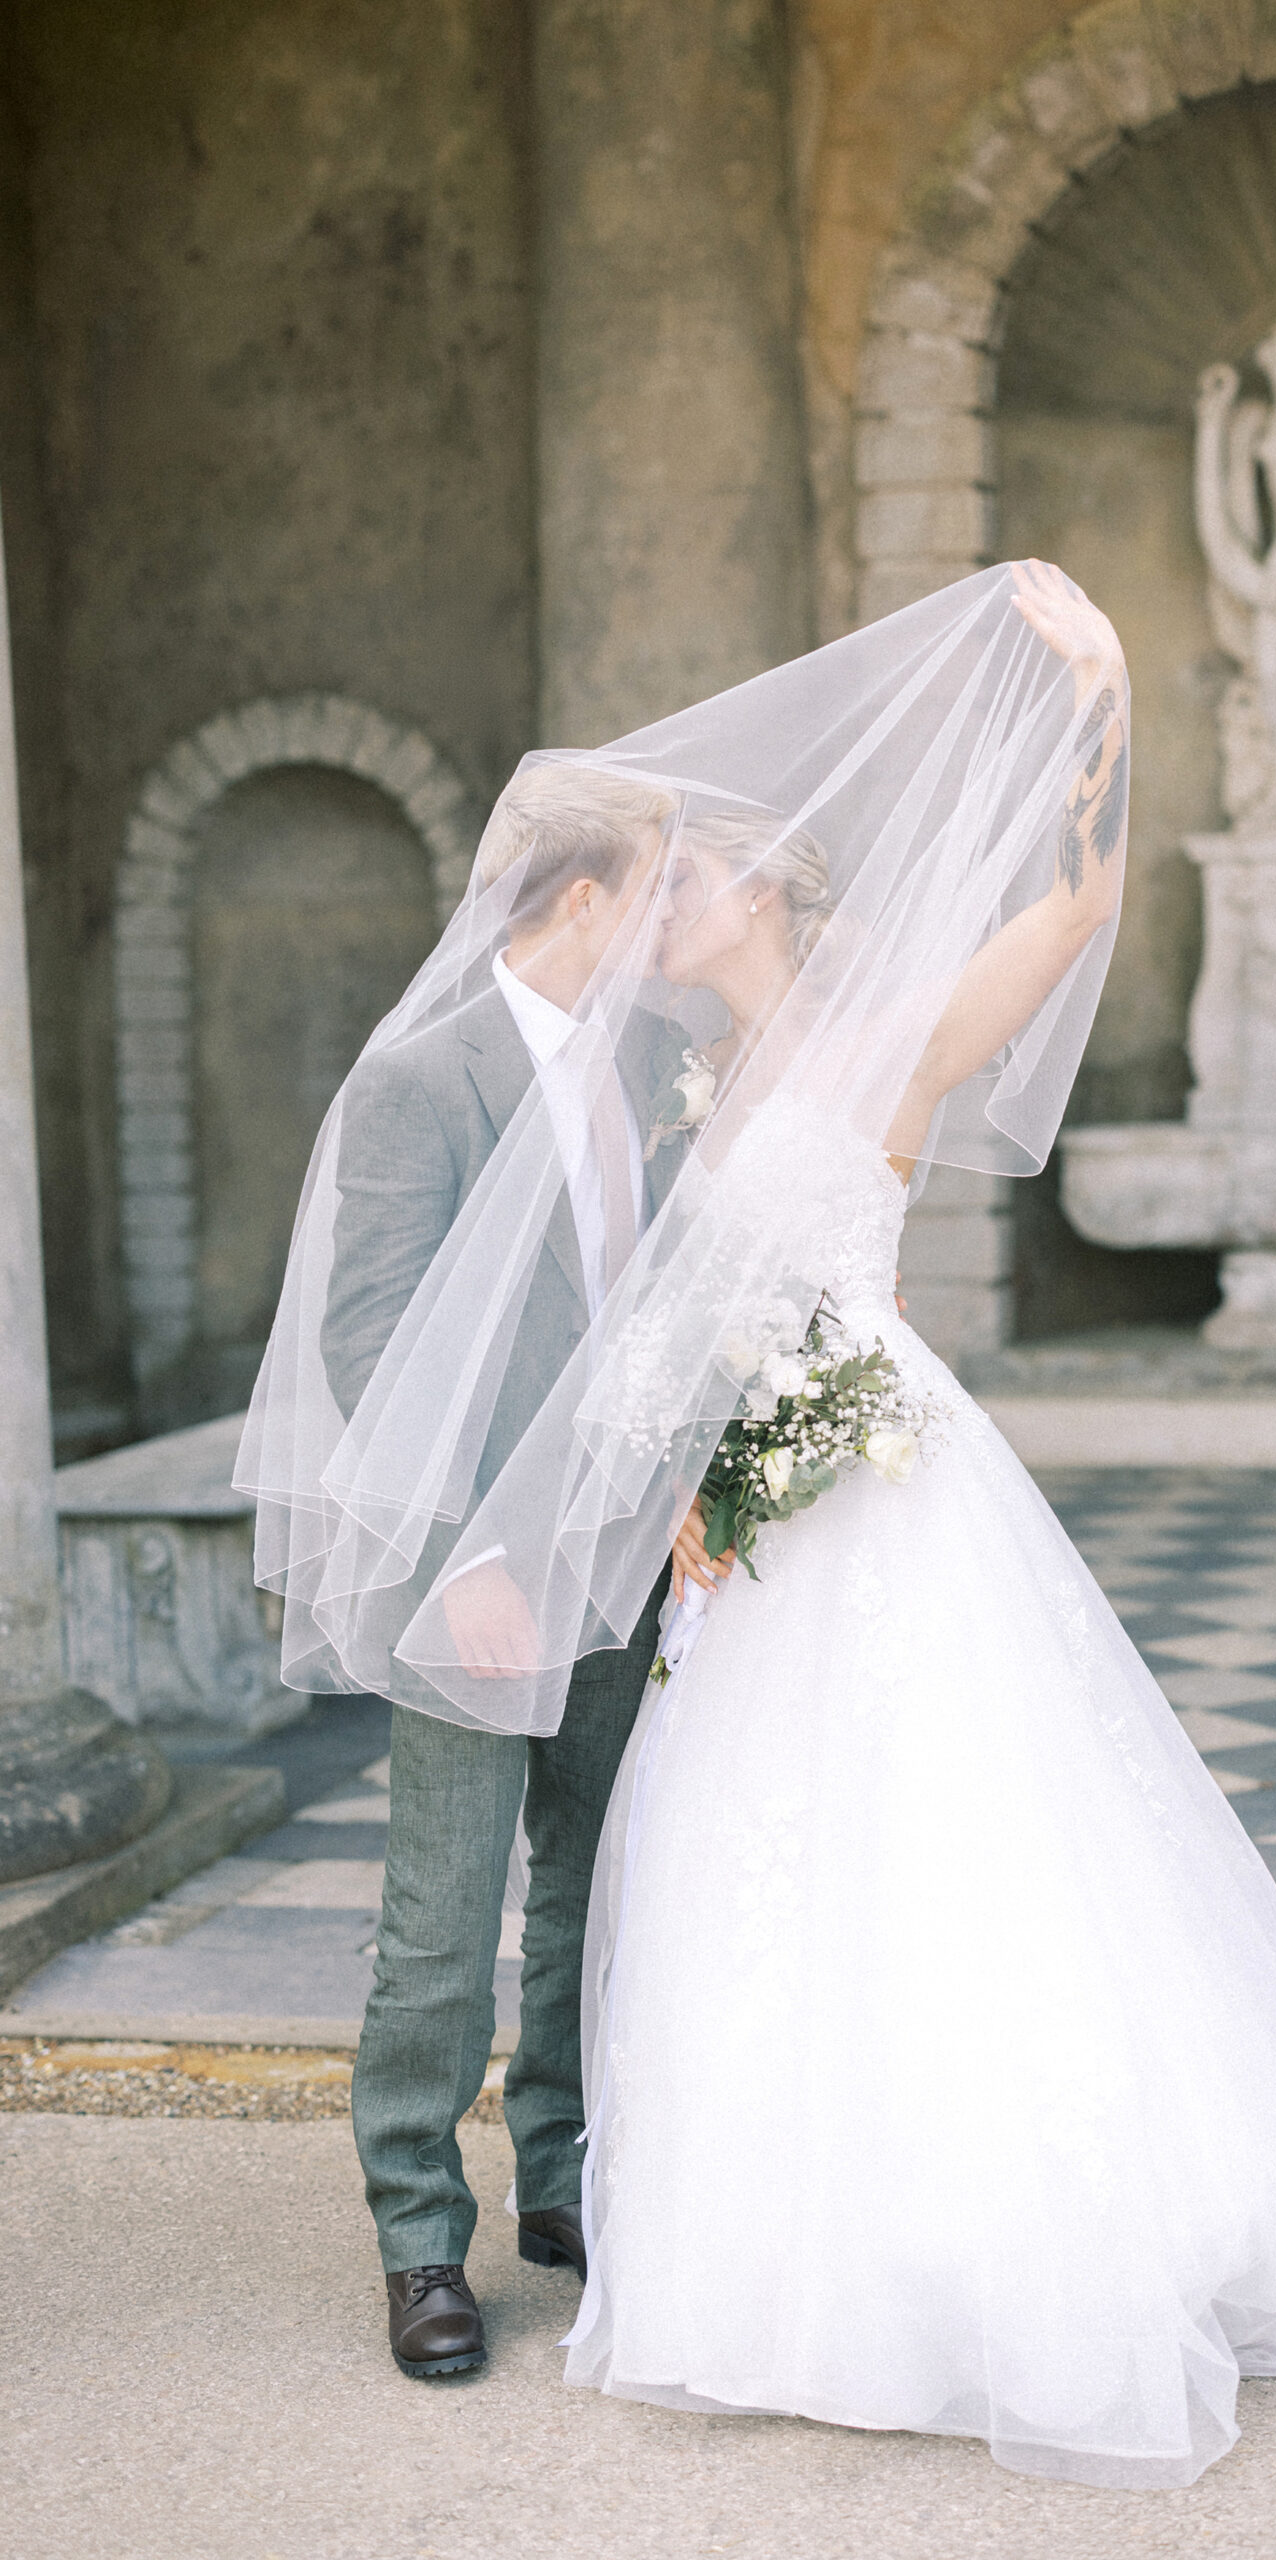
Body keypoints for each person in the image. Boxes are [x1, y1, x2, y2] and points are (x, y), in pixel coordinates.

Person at [244, 563, 1276, 2482]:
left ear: (762, 897)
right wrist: (675, 1491)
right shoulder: (670, 1079)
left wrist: (1097, 706)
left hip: (872, 1489)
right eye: (651, 882)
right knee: (690, 1874)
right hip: (711, 1539)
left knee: (902, 1849)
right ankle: (541, 2226)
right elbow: (605, 1331)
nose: (671, 905)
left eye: (697, 878)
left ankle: (831, 2214)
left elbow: (1072, 906)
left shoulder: (887, 1029)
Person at [296, 763, 684, 2377]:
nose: (668, 929)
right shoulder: (423, 1081)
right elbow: (366, 1338)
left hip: (623, 1558)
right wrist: (467, 1559)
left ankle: (563, 2175)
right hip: (468, 1567)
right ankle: (416, 2238)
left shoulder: (658, 1062)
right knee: (442, 1923)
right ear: (583, 900)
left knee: (596, 1888)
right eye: (653, 896)